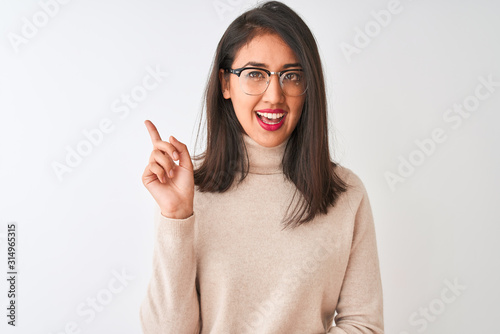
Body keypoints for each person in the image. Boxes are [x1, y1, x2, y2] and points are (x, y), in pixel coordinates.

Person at [139, 1, 384, 333]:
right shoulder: (186, 188)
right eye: (255, 74)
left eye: (291, 76)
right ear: (225, 83)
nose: (274, 96)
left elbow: (363, 325)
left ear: (308, 87)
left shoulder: (345, 193)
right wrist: (177, 217)